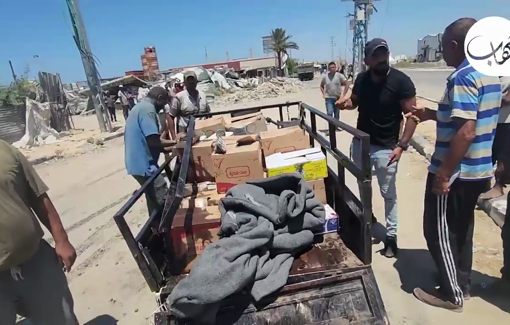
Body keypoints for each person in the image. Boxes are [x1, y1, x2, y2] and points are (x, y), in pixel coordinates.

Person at [409, 18, 502, 312]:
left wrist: (444, 173)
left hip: (456, 171)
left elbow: (466, 131)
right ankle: (462, 282)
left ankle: (452, 295)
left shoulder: (462, 77)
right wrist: (433, 114)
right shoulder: (489, 74)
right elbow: (466, 118)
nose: (441, 52)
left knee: (437, 230)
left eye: (442, 47)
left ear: (454, 46)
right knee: (462, 230)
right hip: (479, 169)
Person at [338, 38, 418, 258]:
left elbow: (413, 116)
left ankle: (391, 237)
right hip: (361, 143)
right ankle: (368, 218)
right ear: (367, 59)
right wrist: (344, 104)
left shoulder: (401, 81)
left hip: (387, 148)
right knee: (363, 186)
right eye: (376, 54)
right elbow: (354, 101)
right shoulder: (362, 79)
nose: (381, 58)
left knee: (388, 194)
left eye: (384, 53)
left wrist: (402, 145)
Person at [0, 140, 78, 324]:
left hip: (35, 259)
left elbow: (38, 195)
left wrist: (61, 240)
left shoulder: (6, 150)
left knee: (61, 317)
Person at [124, 86, 175, 216]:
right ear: (159, 98)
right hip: (144, 165)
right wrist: (176, 143)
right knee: (161, 193)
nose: (163, 107)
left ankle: (154, 227)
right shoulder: (148, 110)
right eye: (164, 103)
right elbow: (153, 142)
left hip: (138, 163)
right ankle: (164, 227)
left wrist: (173, 146)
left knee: (152, 199)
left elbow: (154, 141)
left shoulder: (141, 107)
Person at [479, 76, 510, 199]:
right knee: (488, 155)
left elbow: (508, 99)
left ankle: (499, 186)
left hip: (507, 121)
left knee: (503, 158)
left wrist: (491, 99)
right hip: (492, 120)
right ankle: (483, 184)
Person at [168, 71, 210, 139]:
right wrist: (174, 137)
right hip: (185, 133)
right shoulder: (179, 97)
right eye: (189, 82)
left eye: (193, 82)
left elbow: (209, 114)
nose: (191, 84)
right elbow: (170, 116)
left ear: (196, 82)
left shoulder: (203, 96)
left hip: (202, 133)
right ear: (185, 83)